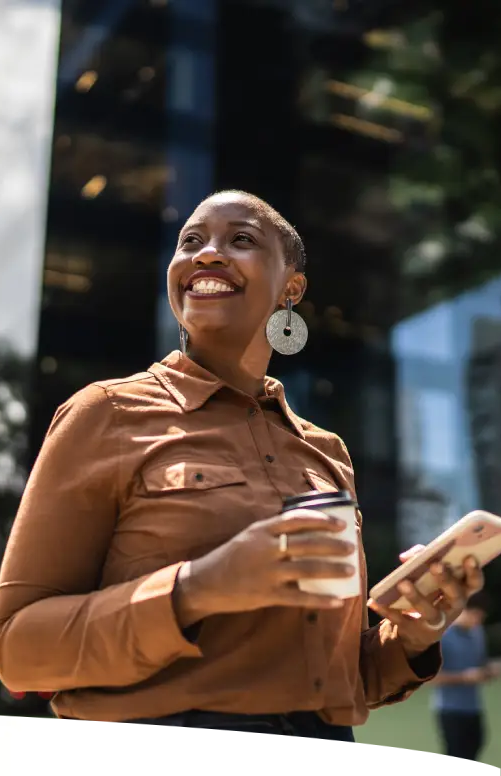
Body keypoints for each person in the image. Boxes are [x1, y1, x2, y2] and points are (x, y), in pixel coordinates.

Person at [0, 190, 485, 739]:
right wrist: (198, 588)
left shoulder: (327, 454)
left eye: (241, 240)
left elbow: (337, 680)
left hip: (320, 768)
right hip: (157, 767)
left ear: (290, 289)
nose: (206, 254)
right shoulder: (106, 414)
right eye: (190, 241)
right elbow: (18, 650)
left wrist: (412, 637)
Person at [432, 592, 500, 760]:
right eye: (476, 616)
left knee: (474, 752)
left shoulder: (477, 633)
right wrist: (464, 677)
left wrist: (490, 670)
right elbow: (432, 678)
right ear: (463, 611)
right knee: (456, 758)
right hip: (450, 709)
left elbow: (480, 664)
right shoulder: (443, 636)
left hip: (474, 707)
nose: (478, 621)